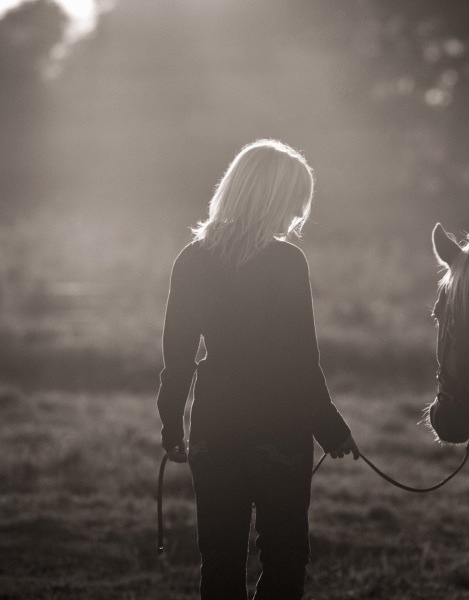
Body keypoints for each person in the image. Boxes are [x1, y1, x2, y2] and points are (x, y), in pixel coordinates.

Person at [156, 139, 358, 599]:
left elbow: (178, 356)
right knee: (285, 560)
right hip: (280, 431)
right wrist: (331, 427)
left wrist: (172, 422)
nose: (295, 218)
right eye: (293, 204)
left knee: (220, 562)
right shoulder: (286, 262)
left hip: (215, 426)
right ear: (274, 199)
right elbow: (302, 361)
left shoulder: (192, 259)